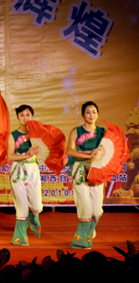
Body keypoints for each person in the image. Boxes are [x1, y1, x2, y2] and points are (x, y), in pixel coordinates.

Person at [65, 101, 105, 249]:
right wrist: (89, 154)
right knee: (85, 206)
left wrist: (98, 153)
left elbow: (106, 151)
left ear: (98, 114)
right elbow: (70, 151)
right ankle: (81, 240)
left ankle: (89, 229)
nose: (91, 115)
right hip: (80, 170)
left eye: (94, 112)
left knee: (97, 210)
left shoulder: (102, 132)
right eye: (88, 112)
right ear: (83, 115)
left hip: (96, 170)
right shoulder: (76, 131)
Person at [7, 105, 43, 246]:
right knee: (22, 205)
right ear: (17, 117)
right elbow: (10, 156)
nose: (25, 118)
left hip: (32, 170)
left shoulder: (38, 135)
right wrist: (26, 155)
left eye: (28, 115)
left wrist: (39, 154)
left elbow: (43, 153)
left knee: (36, 206)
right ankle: (20, 237)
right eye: (22, 115)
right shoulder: (13, 135)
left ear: (32, 116)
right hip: (18, 170)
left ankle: (32, 217)